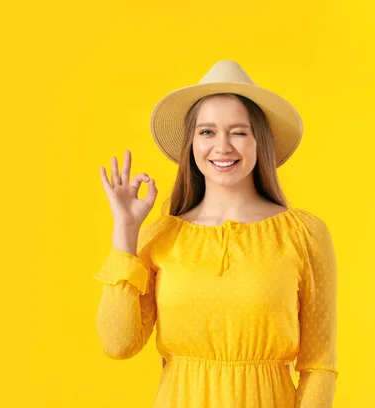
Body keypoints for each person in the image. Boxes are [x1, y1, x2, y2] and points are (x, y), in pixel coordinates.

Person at [93, 60, 339, 407]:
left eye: (238, 131)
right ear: (191, 145)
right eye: (207, 132)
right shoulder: (161, 236)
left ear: (259, 141)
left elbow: (319, 365)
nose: (222, 146)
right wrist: (126, 230)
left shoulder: (304, 234)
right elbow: (118, 343)